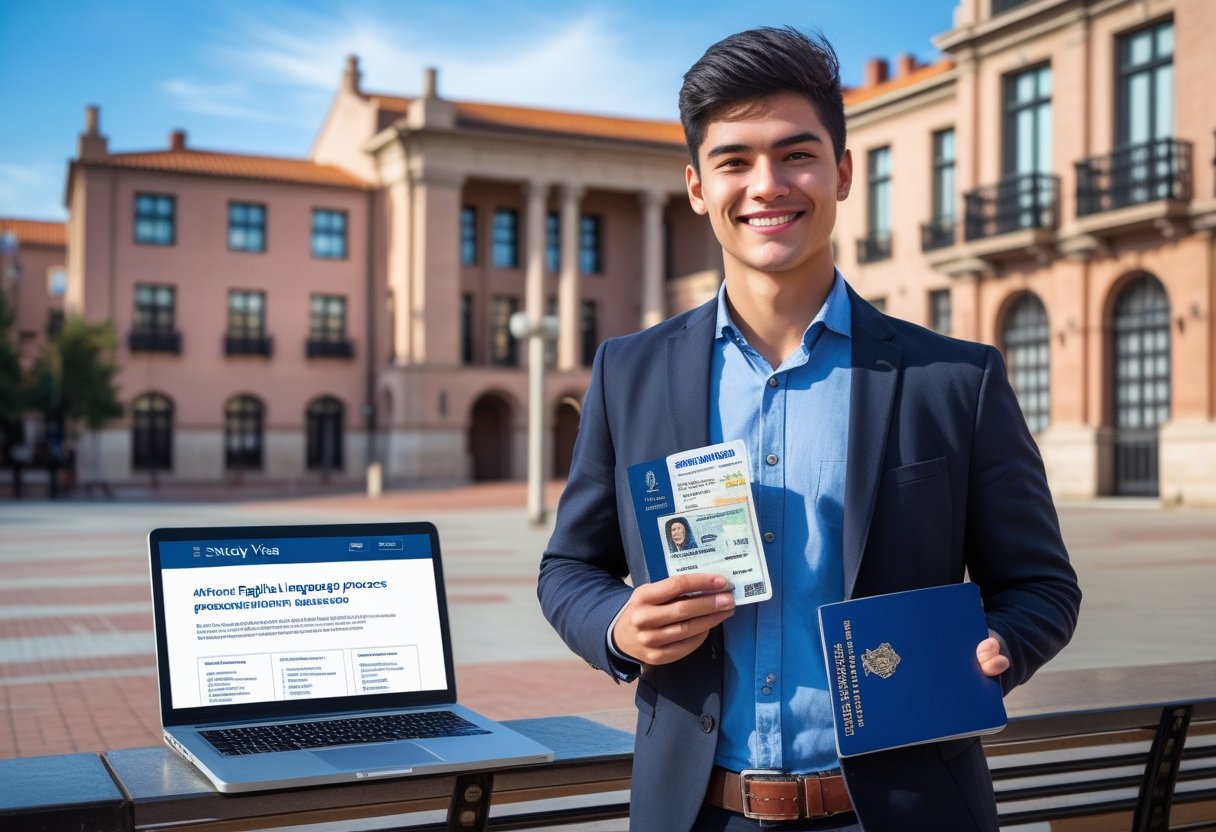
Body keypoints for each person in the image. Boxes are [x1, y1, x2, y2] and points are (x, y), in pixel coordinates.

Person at [538, 26, 1080, 832]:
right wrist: (619, 627)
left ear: (843, 172)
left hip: (904, 812)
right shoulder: (630, 371)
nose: (767, 185)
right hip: (697, 811)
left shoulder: (956, 381)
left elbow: (1042, 588)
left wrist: (999, 648)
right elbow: (568, 569)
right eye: (734, 161)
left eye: (796, 154)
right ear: (696, 186)